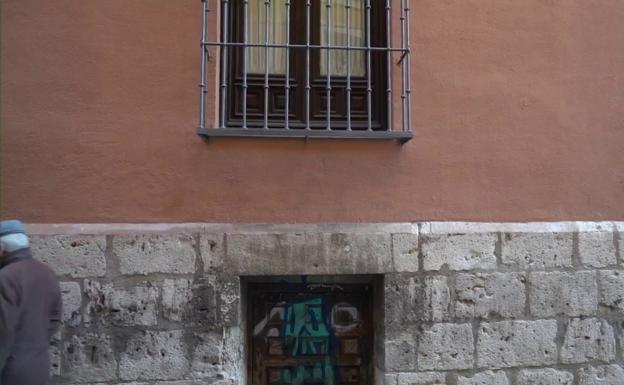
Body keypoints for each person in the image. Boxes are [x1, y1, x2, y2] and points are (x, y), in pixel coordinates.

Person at [0, 220, 62, 385]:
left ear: (1, 249)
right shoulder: (47, 273)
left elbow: (2, 332)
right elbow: (54, 319)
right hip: (39, 370)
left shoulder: (5, 278)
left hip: (10, 374)